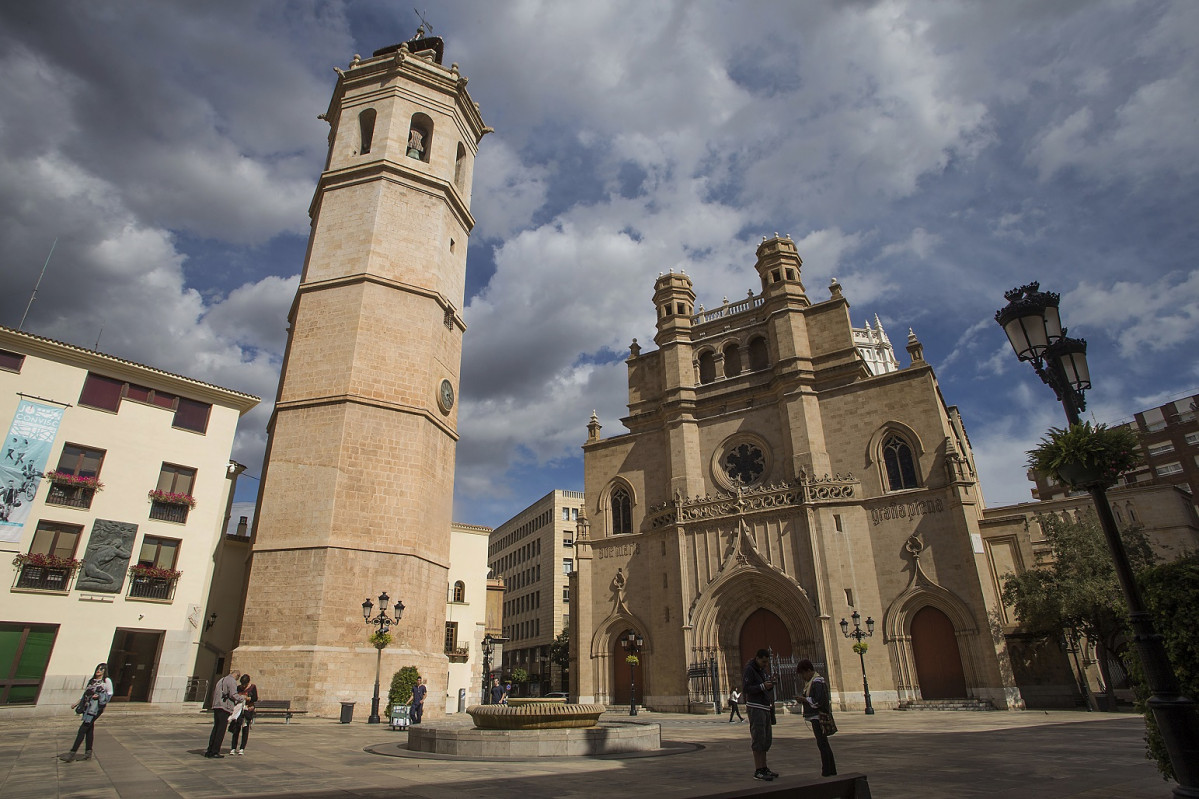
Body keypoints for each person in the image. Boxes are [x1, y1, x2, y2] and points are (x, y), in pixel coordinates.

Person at [61, 664, 112, 762]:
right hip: (87, 707)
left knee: (83, 729)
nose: (99, 671)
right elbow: (85, 694)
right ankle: (88, 752)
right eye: (97, 669)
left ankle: (72, 752)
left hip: (95, 708)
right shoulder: (91, 681)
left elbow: (110, 693)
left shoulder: (106, 681)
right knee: (89, 729)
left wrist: (102, 700)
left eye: (101, 669)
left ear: (105, 671)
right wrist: (76, 703)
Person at [743, 649, 778, 782]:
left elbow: (763, 687)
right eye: (763, 661)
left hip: (765, 707)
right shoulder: (749, 670)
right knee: (758, 739)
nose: (765, 664)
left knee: (765, 739)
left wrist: (770, 684)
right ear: (757, 658)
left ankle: (764, 767)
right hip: (755, 707)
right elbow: (746, 688)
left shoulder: (762, 670)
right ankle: (758, 770)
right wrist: (762, 686)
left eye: (767, 662)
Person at [799, 658, 837, 777]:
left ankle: (827, 770)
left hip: (818, 717)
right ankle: (830, 769)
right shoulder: (812, 682)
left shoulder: (817, 682)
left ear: (809, 670)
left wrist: (804, 699)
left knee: (822, 744)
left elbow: (818, 701)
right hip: (816, 717)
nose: (803, 677)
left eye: (803, 674)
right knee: (823, 743)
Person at [205, 669, 241, 758]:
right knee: (221, 730)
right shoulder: (232, 681)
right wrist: (242, 698)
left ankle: (210, 750)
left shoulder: (221, 679)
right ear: (237, 676)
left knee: (216, 729)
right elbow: (233, 694)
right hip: (224, 707)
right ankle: (215, 751)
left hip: (216, 706)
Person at [227, 673, 258, 755]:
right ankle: (233, 747)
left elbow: (255, 698)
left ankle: (242, 748)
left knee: (245, 730)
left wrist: (248, 699)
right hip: (239, 711)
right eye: (242, 684)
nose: (243, 686)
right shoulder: (238, 688)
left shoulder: (253, 687)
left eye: (245, 684)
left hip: (247, 710)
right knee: (236, 729)